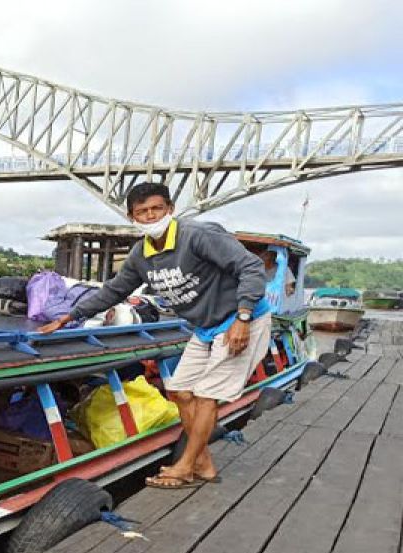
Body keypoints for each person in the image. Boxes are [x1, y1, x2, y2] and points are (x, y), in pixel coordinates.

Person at [38, 182, 271, 489]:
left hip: (241, 320)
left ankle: (186, 466)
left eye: (156, 209)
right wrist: (69, 316)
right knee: (178, 391)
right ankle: (204, 463)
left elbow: (251, 267)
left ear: (170, 209)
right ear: (132, 217)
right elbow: (114, 290)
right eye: (142, 212)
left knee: (205, 396)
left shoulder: (197, 236)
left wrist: (243, 316)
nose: (150, 216)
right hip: (204, 328)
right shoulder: (141, 256)